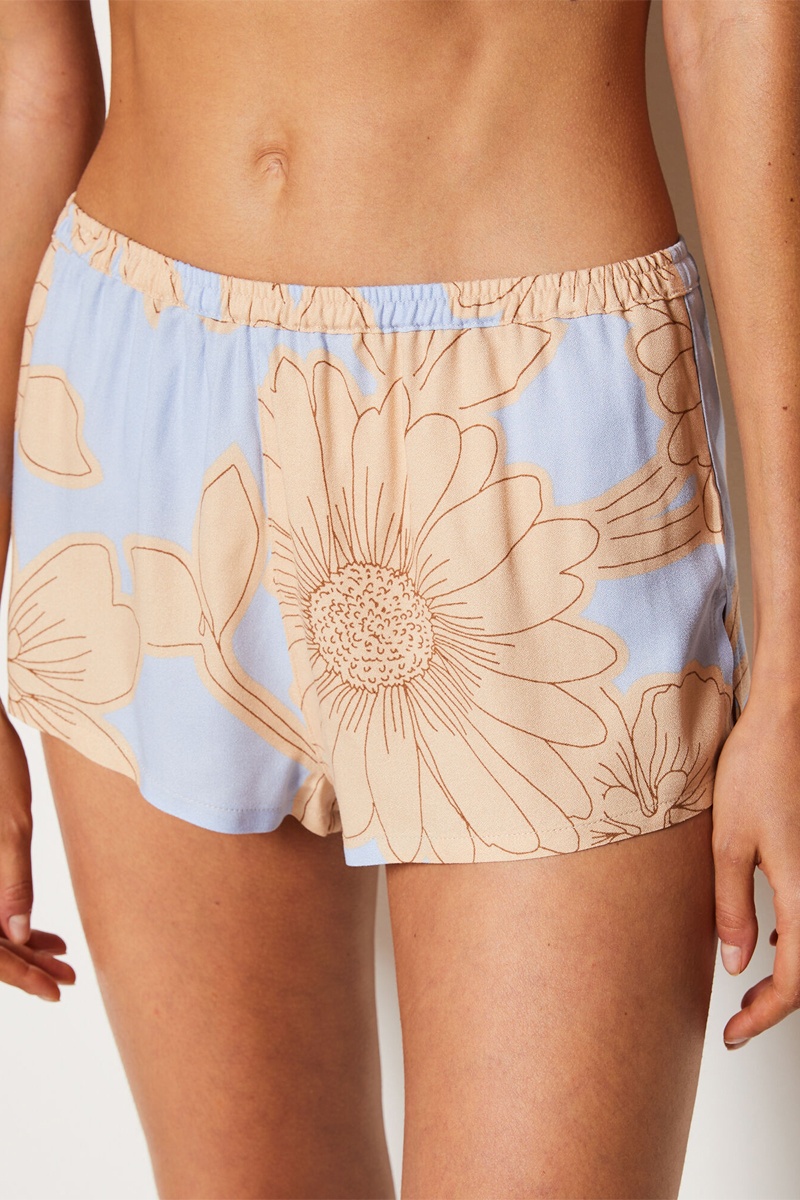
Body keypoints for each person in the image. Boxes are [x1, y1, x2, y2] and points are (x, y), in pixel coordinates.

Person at [1, 0, 798, 1196]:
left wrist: (790, 667)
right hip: (143, 396)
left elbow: (733, 23)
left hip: (532, 405)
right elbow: (25, 80)